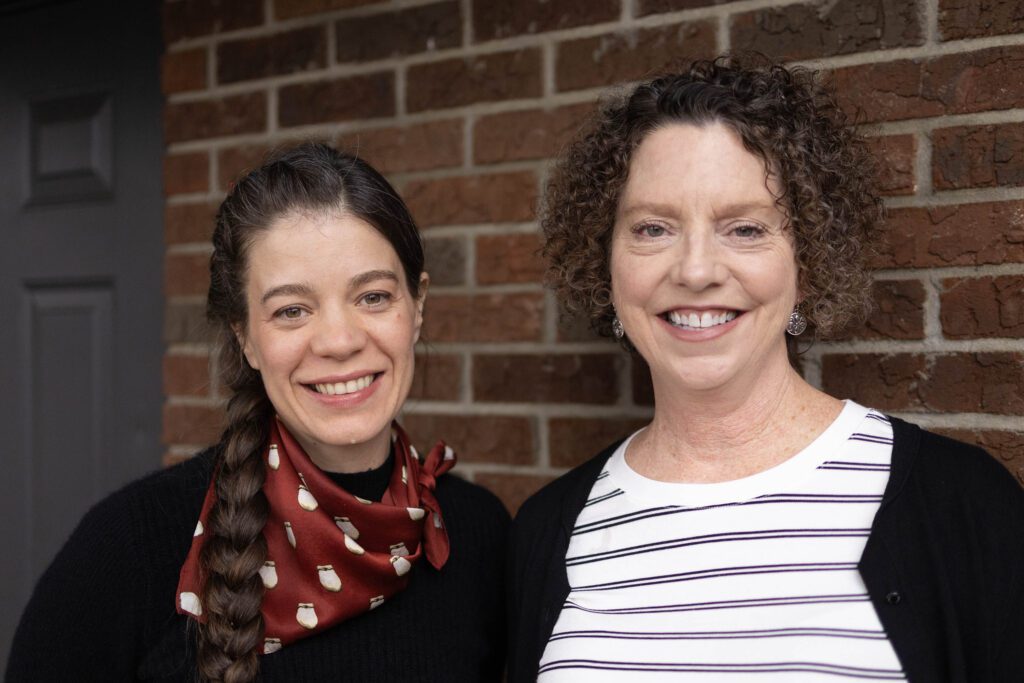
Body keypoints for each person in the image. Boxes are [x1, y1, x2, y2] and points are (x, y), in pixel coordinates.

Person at [508, 55, 1024, 682]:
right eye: (652, 228)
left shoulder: (958, 503)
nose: (696, 271)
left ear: (808, 261)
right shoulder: (547, 532)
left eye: (745, 229)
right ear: (606, 262)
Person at [8, 143, 508, 682]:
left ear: (418, 306)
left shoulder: (479, 536)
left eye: (373, 297)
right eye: (292, 310)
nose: (339, 341)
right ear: (245, 336)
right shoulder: (132, 547)